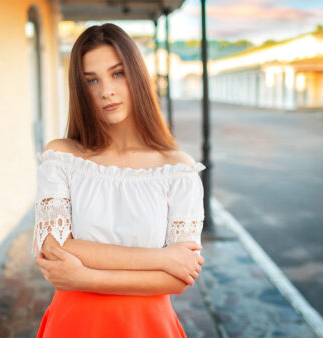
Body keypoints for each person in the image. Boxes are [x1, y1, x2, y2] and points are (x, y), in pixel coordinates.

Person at [33, 23, 206, 337]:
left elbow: (179, 277)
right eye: (91, 80)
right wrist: (161, 258)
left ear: (137, 76)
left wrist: (83, 277)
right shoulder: (61, 157)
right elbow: (55, 247)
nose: (106, 91)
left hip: (148, 327)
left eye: (117, 73)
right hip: (74, 324)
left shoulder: (177, 169)